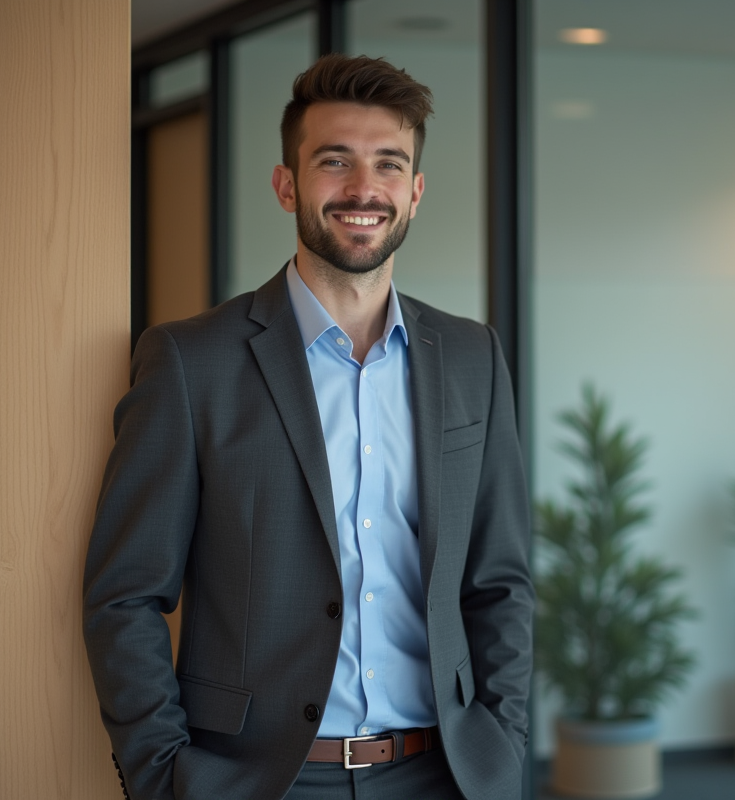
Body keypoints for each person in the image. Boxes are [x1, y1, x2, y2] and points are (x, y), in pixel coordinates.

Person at [83, 53, 533, 800]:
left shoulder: (471, 356)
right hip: (258, 782)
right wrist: (162, 774)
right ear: (286, 183)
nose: (364, 189)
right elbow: (126, 594)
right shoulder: (192, 362)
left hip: (444, 774)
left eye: (389, 165)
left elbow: (500, 582)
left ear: (416, 192)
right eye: (335, 161)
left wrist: (503, 743)